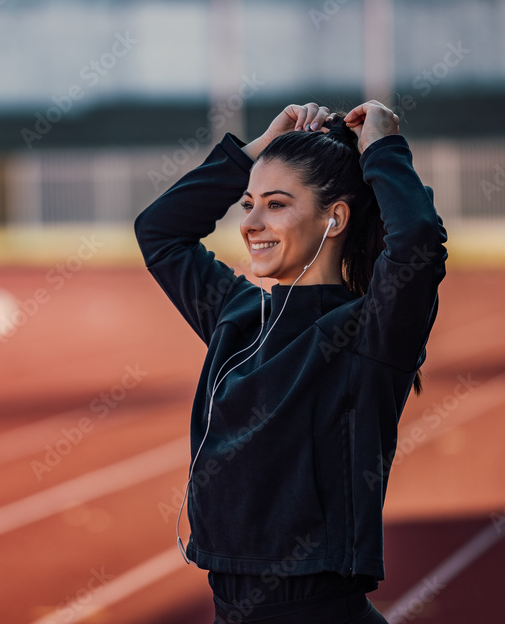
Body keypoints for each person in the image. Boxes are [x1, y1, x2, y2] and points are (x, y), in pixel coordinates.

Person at [134, 101, 447, 623]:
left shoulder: (369, 333)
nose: (251, 224)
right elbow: (160, 233)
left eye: (276, 205)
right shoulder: (237, 318)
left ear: (335, 217)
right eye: (247, 205)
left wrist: (383, 149)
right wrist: (255, 149)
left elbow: (416, 239)